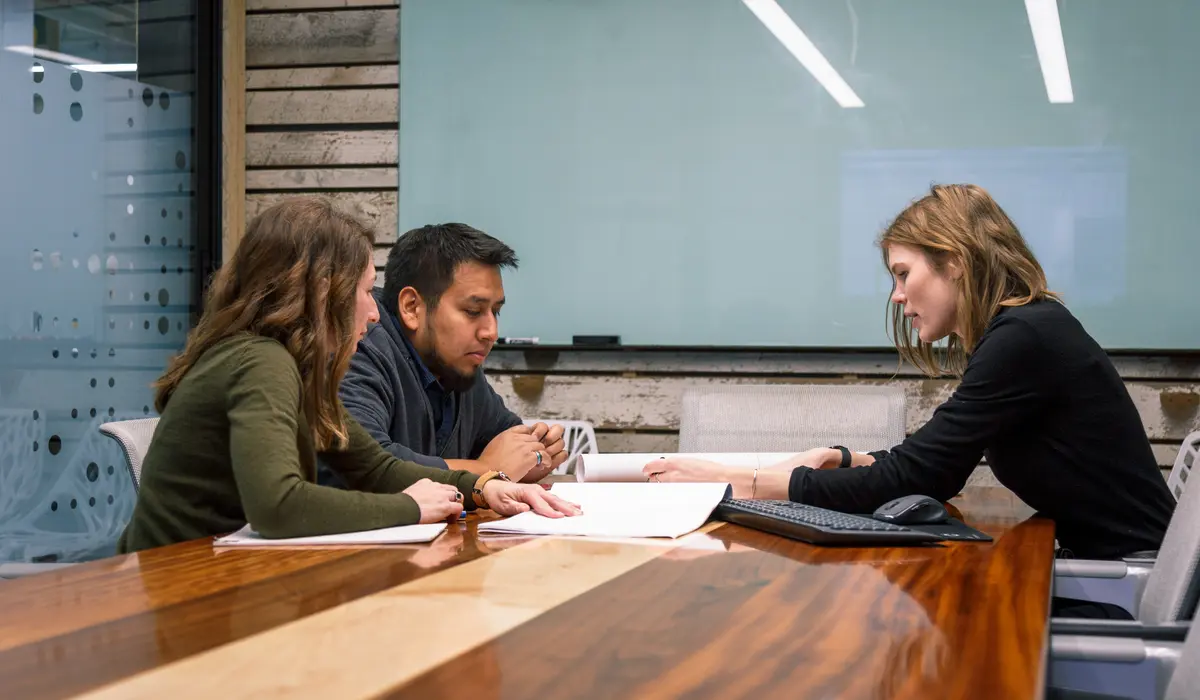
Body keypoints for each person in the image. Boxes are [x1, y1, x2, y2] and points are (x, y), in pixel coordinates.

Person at [646, 184, 1175, 566]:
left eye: (904, 273)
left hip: (1129, 580)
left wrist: (739, 483)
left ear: (956, 261)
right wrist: (848, 458)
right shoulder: (1025, 331)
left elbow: (919, 477)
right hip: (1109, 564)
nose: (897, 296)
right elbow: (936, 462)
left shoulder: (1025, 338)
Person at [116, 198, 578, 553]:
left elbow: (376, 467)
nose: (376, 312)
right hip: (170, 584)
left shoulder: (298, 371)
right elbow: (279, 507)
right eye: (363, 290)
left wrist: (481, 487)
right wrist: (413, 507)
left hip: (222, 575)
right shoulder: (259, 362)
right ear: (322, 293)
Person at [330, 222, 565, 487]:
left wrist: (534, 451)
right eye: (473, 312)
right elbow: (368, 465)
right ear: (411, 307)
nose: (491, 332)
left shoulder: (456, 363)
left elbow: (505, 440)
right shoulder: (359, 345)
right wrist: (486, 469)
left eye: (495, 311)